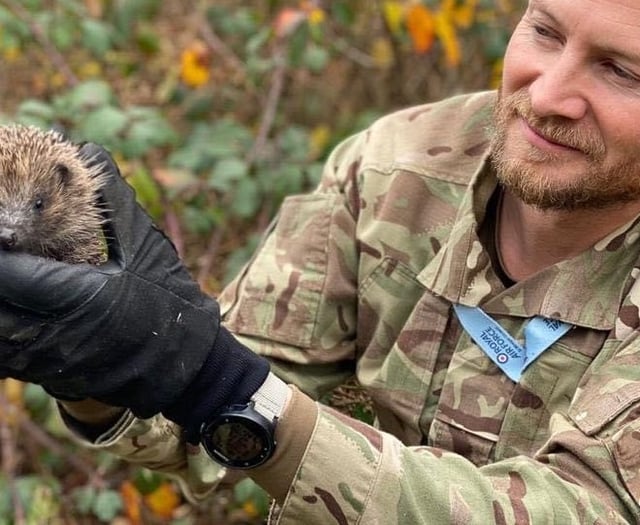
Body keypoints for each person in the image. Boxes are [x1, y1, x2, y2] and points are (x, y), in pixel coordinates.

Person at [0, 0, 639, 522]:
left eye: (623, 72)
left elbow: (581, 510)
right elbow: (202, 447)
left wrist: (221, 387)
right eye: (545, 32)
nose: (549, 94)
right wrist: (98, 368)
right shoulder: (395, 167)